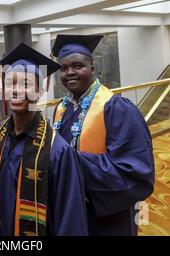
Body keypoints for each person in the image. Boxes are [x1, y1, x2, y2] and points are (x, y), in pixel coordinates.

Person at [51, 34, 155, 236]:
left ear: (92, 67)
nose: (69, 72)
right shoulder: (61, 110)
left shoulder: (117, 109)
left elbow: (136, 172)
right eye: (63, 68)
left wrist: (72, 163)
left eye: (77, 65)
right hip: (70, 212)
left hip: (107, 217)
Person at [0, 43, 88, 236]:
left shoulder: (58, 151)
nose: (16, 91)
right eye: (10, 84)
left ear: (40, 91)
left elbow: (70, 221)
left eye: (26, 84)